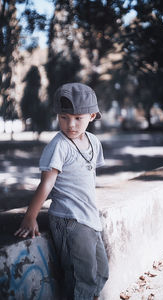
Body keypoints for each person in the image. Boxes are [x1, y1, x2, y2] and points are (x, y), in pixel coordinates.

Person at [15, 83, 109, 300]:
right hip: (69, 219)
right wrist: (31, 216)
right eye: (64, 117)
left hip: (89, 218)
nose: (71, 124)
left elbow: (89, 178)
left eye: (78, 118)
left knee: (101, 272)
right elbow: (46, 184)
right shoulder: (59, 145)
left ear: (92, 115)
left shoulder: (94, 142)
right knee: (80, 277)